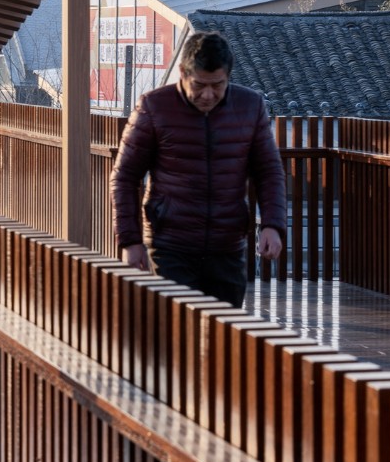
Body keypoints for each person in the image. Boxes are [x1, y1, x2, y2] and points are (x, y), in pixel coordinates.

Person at [110, 30, 285, 306]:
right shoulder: (153, 107)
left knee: (224, 329)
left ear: (228, 76)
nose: (208, 94)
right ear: (183, 72)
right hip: (170, 245)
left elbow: (269, 171)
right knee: (177, 326)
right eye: (199, 84)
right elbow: (124, 177)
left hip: (227, 246)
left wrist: (273, 225)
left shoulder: (250, 106)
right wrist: (130, 241)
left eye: (218, 85)